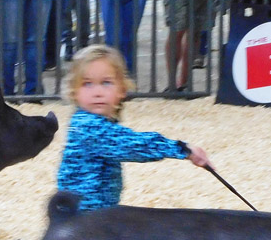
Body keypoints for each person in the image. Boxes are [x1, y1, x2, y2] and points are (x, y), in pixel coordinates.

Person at [56, 45, 212, 212]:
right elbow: (133, 144)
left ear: (122, 90)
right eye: (87, 84)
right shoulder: (88, 126)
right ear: (74, 92)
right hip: (84, 219)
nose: (98, 92)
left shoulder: (90, 122)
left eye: (106, 83)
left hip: (93, 215)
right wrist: (181, 149)